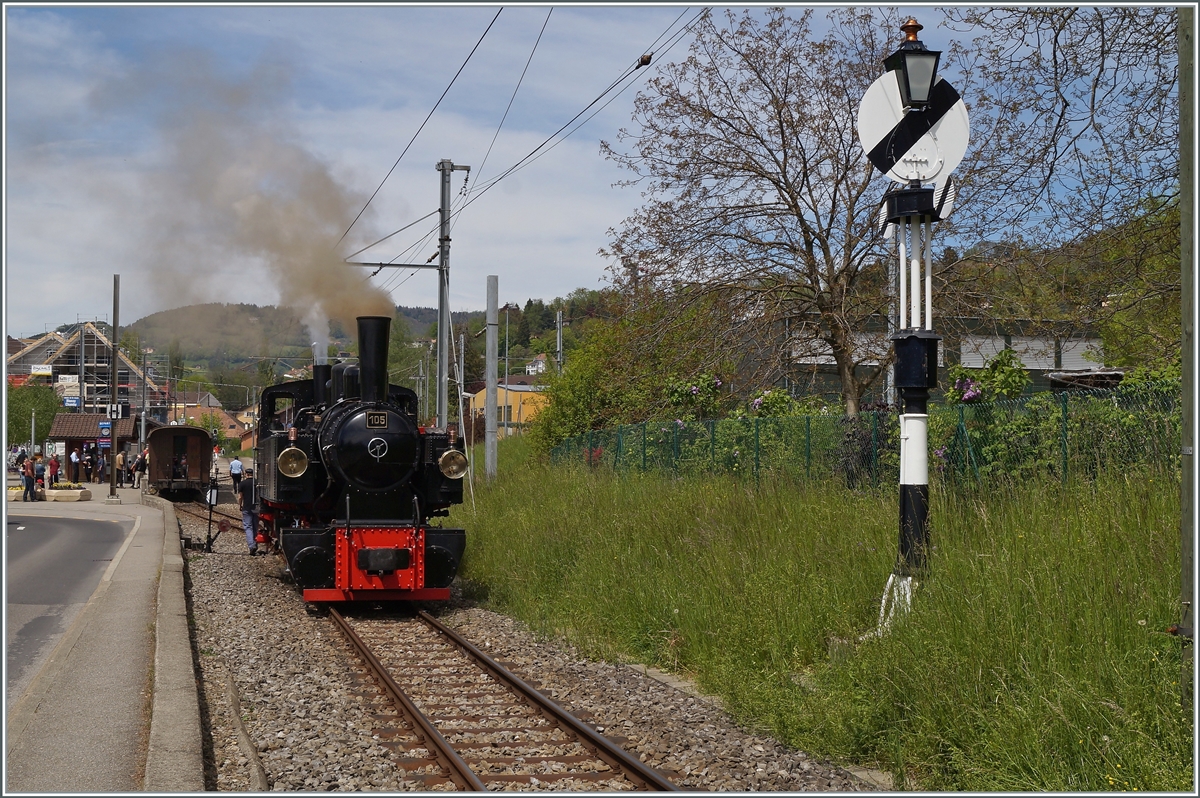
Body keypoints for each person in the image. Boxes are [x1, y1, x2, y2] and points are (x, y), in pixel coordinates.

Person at [237, 468, 259, 555]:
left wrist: (240, 505)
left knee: (248, 526)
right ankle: (255, 544)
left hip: (247, 507)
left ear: (246, 474)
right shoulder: (257, 483)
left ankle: (252, 545)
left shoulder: (242, 484)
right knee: (255, 527)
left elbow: (240, 496)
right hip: (256, 507)